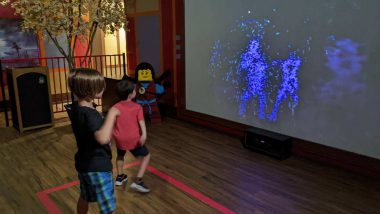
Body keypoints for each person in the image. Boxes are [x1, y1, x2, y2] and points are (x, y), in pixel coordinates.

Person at [67, 68, 119, 214]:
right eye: (100, 85)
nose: (103, 87)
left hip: (84, 165)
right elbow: (103, 138)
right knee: (108, 208)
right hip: (98, 167)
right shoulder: (91, 115)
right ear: (89, 90)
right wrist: (111, 115)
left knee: (85, 197)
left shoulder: (76, 110)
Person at [112, 79, 151, 193]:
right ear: (131, 94)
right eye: (134, 90)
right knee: (147, 155)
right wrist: (144, 134)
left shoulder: (115, 107)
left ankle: (120, 177)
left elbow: (112, 123)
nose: (136, 91)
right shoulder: (137, 107)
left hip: (120, 138)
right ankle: (138, 181)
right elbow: (141, 122)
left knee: (120, 155)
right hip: (133, 139)